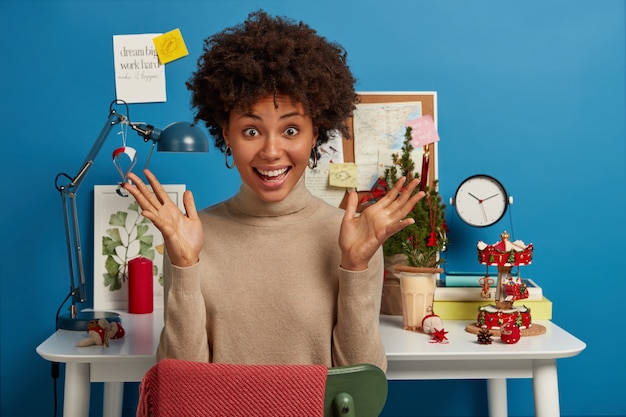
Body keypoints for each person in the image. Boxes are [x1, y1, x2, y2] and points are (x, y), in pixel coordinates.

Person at [124, 10, 423, 372]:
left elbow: (360, 390)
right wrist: (185, 266)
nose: (270, 151)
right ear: (226, 134)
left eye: (291, 130)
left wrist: (355, 265)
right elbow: (181, 384)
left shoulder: (351, 238)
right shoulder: (191, 236)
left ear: (317, 133)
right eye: (251, 130)